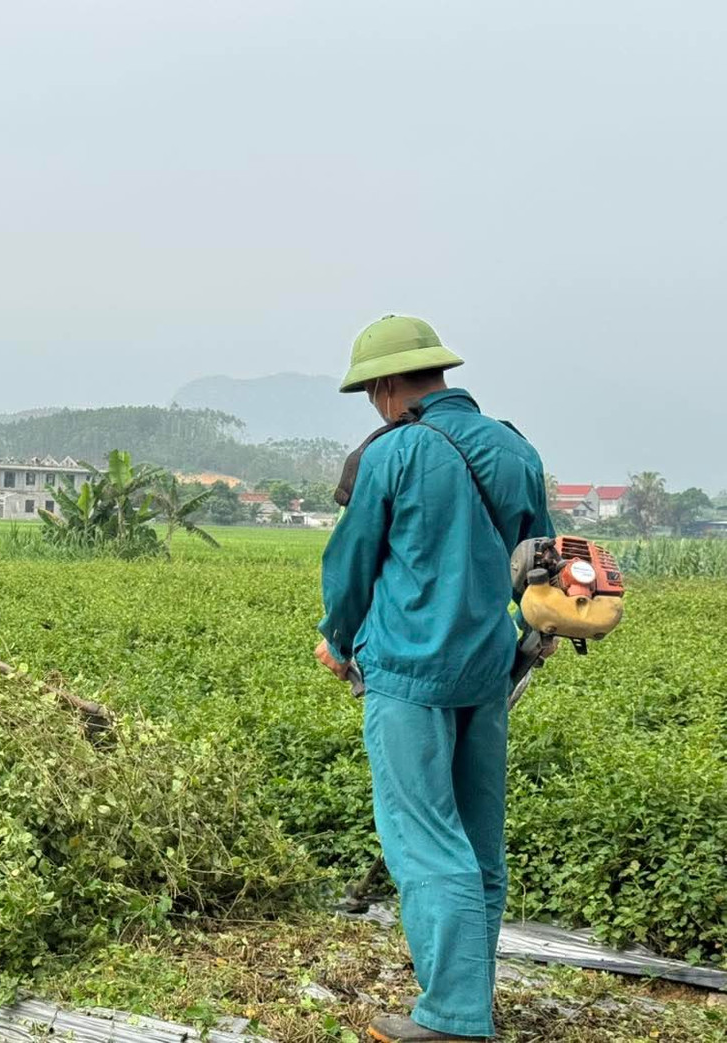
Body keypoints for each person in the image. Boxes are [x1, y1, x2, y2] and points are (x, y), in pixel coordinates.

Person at [314, 316, 554, 1043]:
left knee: (425, 842)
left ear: (387, 386)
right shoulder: (516, 448)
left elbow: (353, 560)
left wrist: (334, 636)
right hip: (488, 671)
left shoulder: (398, 451)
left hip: (409, 674)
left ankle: (451, 1018)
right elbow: (537, 558)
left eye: (371, 393)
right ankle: (469, 1004)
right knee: (479, 844)